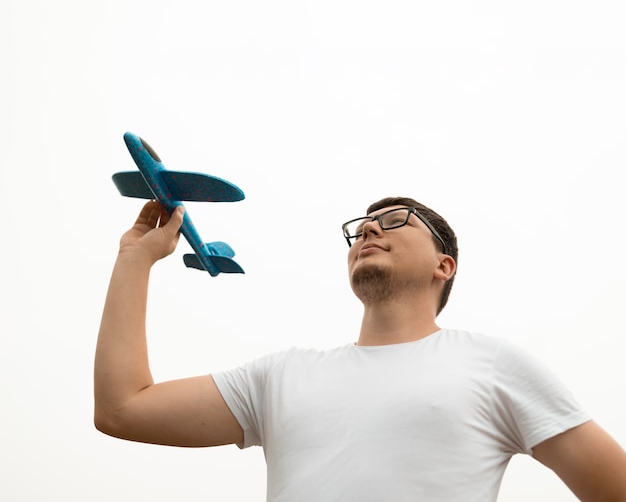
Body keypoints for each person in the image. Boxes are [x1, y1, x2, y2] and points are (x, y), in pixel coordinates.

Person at [94, 197, 626, 501]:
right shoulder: (280, 377)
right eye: (362, 226)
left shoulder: (493, 366)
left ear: (445, 266)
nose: (369, 227)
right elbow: (123, 409)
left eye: (396, 220)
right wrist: (135, 259)